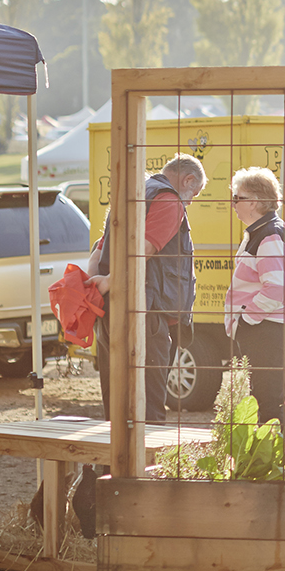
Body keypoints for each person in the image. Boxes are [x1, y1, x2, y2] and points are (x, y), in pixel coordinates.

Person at [88, 154, 205, 422]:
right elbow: (143, 249)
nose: (190, 201)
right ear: (187, 180)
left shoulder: (133, 194)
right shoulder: (169, 200)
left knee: (115, 399)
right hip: (147, 313)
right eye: (194, 194)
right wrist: (109, 281)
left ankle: (114, 463)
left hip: (112, 310)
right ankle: (145, 464)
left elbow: (98, 250)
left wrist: (97, 285)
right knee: (150, 404)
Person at [224, 167, 285, 426]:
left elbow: (276, 289)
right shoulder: (266, 231)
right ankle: (278, 459)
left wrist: (246, 320)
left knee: (267, 405)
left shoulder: (270, 234)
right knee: (266, 402)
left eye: (237, 198)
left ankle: (279, 461)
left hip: (269, 328)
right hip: (269, 327)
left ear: (254, 202)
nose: (233, 204)